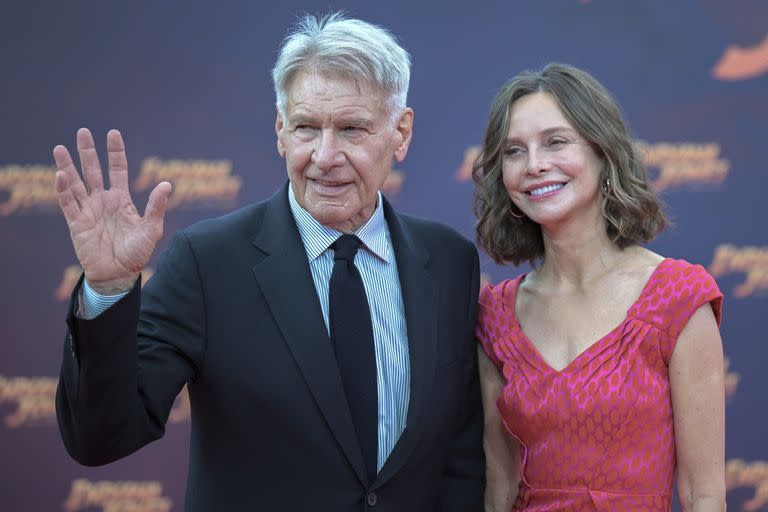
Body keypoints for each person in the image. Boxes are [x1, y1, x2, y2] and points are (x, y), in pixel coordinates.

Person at [53, 13, 484, 511]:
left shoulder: (449, 264)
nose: (325, 155)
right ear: (280, 130)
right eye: (306, 127)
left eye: (351, 129)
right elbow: (100, 437)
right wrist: (108, 289)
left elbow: (460, 458)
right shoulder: (207, 263)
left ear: (400, 133)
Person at [472, 63, 726, 511]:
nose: (534, 165)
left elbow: (702, 494)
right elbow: (498, 488)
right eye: (514, 151)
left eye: (555, 142)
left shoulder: (676, 297)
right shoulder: (495, 315)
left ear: (602, 152)